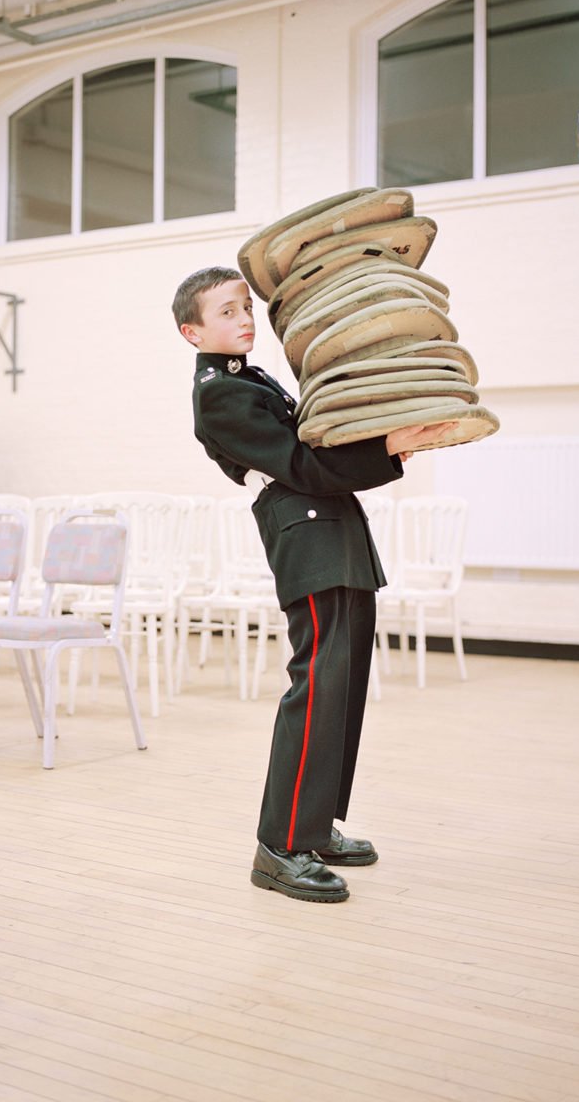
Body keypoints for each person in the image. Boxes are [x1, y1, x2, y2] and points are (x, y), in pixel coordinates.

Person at [173, 265, 456, 904]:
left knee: (345, 680)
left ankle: (315, 826)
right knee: (319, 681)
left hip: (329, 522)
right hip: (304, 527)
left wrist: (387, 440)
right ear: (193, 332)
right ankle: (280, 847)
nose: (244, 319)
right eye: (225, 312)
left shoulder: (250, 378)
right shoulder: (220, 393)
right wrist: (385, 449)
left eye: (245, 307)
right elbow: (300, 463)